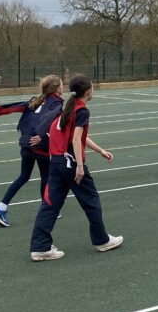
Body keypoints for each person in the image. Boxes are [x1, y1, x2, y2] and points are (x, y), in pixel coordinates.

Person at [29, 75, 122, 261]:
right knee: (91, 200)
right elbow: (75, 139)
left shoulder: (68, 109)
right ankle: (102, 240)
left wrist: (100, 150)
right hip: (70, 163)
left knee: (50, 204)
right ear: (88, 91)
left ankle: (40, 247)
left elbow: (76, 136)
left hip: (56, 162)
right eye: (93, 87)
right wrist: (80, 165)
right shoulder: (81, 112)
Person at [0, 74, 64, 227]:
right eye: (61, 84)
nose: (63, 86)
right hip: (40, 145)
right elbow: (49, 117)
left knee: (23, 176)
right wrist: (40, 134)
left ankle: (1, 207)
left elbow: (15, 106)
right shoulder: (57, 103)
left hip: (26, 144)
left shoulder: (35, 100)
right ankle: (47, 208)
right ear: (57, 88)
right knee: (45, 176)